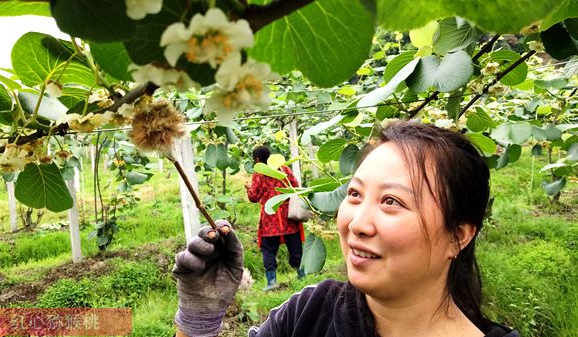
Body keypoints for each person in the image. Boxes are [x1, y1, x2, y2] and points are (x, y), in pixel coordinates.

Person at [172, 121, 520, 337]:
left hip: (270, 223)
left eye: (391, 202)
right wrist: (197, 321)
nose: (356, 222)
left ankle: (274, 275)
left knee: (272, 256)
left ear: (458, 235)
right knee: (292, 253)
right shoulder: (308, 314)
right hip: (287, 224)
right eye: (354, 194)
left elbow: (253, 197)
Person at [244, 146, 305, 291]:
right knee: (295, 246)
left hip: (269, 216)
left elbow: (254, 197)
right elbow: (295, 186)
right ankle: (302, 275)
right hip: (288, 216)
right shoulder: (283, 169)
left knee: (269, 249)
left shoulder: (259, 174)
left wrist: (248, 188)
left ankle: (272, 282)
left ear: (257, 160)